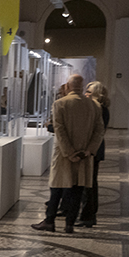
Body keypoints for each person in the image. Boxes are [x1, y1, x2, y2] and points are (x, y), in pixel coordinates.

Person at [31, 74, 104, 233]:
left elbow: (59, 130)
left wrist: (69, 153)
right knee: (77, 189)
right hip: (84, 156)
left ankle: (50, 221)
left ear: (68, 86)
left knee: (57, 188)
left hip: (64, 155)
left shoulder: (60, 104)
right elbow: (99, 131)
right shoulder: (94, 105)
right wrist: (88, 150)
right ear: (82, 86)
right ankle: (69, 223)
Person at [77, 81, 111, 227]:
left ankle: (88, 215)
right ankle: (88, 214)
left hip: (93, 149)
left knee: (89, 184)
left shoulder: (99, 109)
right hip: (94, 148)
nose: (86, 94)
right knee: (89, 183)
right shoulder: (99, 108)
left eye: (89, 92)